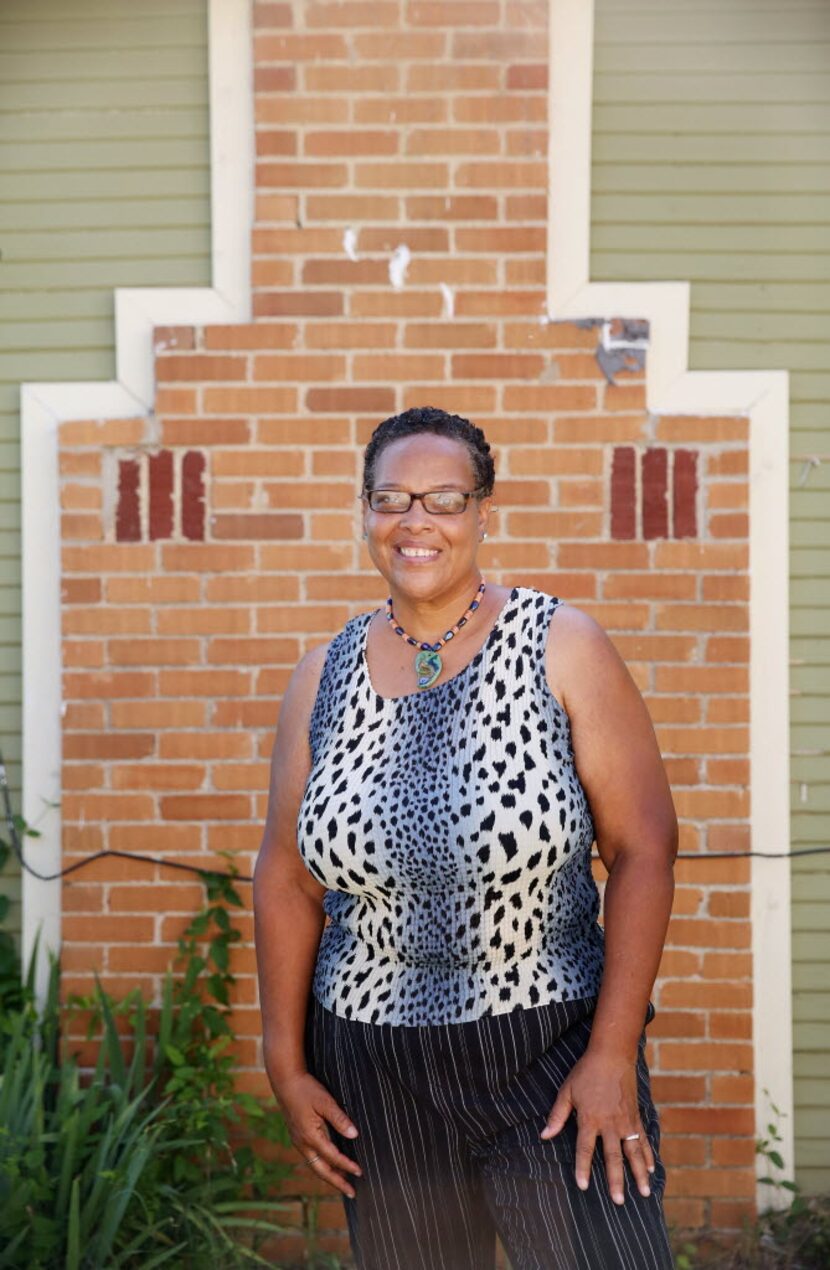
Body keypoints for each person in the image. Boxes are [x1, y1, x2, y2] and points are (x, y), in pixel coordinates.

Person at [254, 405, 677, 1270]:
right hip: (374, 1066)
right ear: (365, 511)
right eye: (392, 498)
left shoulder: (559, 644)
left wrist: (612, 1053)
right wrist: (285, 1061)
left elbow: (644, 849)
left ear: (485, 511)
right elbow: (287, 879)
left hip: (551, 1051)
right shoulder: (320, 676)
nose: (416, 521)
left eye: (444, 499)